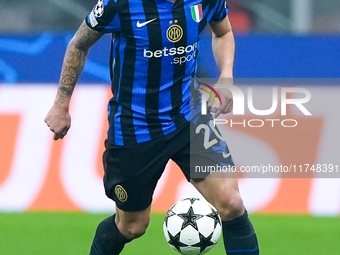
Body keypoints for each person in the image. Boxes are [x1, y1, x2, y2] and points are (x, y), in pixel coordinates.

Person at [45, 0, 259, 254]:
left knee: (231, 203)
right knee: (132, 226)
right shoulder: (120, 4)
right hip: (135, 127)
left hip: (188, 117)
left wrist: (226, 76)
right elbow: (79, 44)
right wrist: (61, 104)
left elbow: (223, 32)